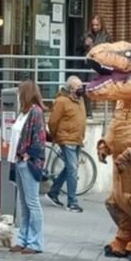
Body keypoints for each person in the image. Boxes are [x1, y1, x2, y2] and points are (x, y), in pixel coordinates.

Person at [8, 79, 47, 254]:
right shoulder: (23, 113)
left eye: (19, 92)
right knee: (23, 203)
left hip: (28, 162)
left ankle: (35, 242)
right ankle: (23, 238)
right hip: (19, 161)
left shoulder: (36, 112)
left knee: (32, 203)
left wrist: (28, 154)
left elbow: (39, 138)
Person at [47, 76, 87, 212]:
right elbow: (52, 121)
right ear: (70, 88)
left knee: (70, 168)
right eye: (78, 86)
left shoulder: (80, 100)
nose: (81, 89)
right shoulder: (61, 101)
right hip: (66, 139)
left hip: (77, 139)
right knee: (73, 170)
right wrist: (55, 136)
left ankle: (53, 192)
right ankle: (72, 202)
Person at [80, 14, 112, 117]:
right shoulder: (87, 35)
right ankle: (88, 112)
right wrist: (84, 44)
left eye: (97, 25)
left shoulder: (106, 36)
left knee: (95, 87)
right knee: (85, 87)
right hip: (87, 64)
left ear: (101, 25)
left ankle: (98, 109)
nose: (95, 27)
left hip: (98, 65)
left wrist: (94, 46)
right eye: (93, 25)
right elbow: (78, 48)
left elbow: (109, 50)